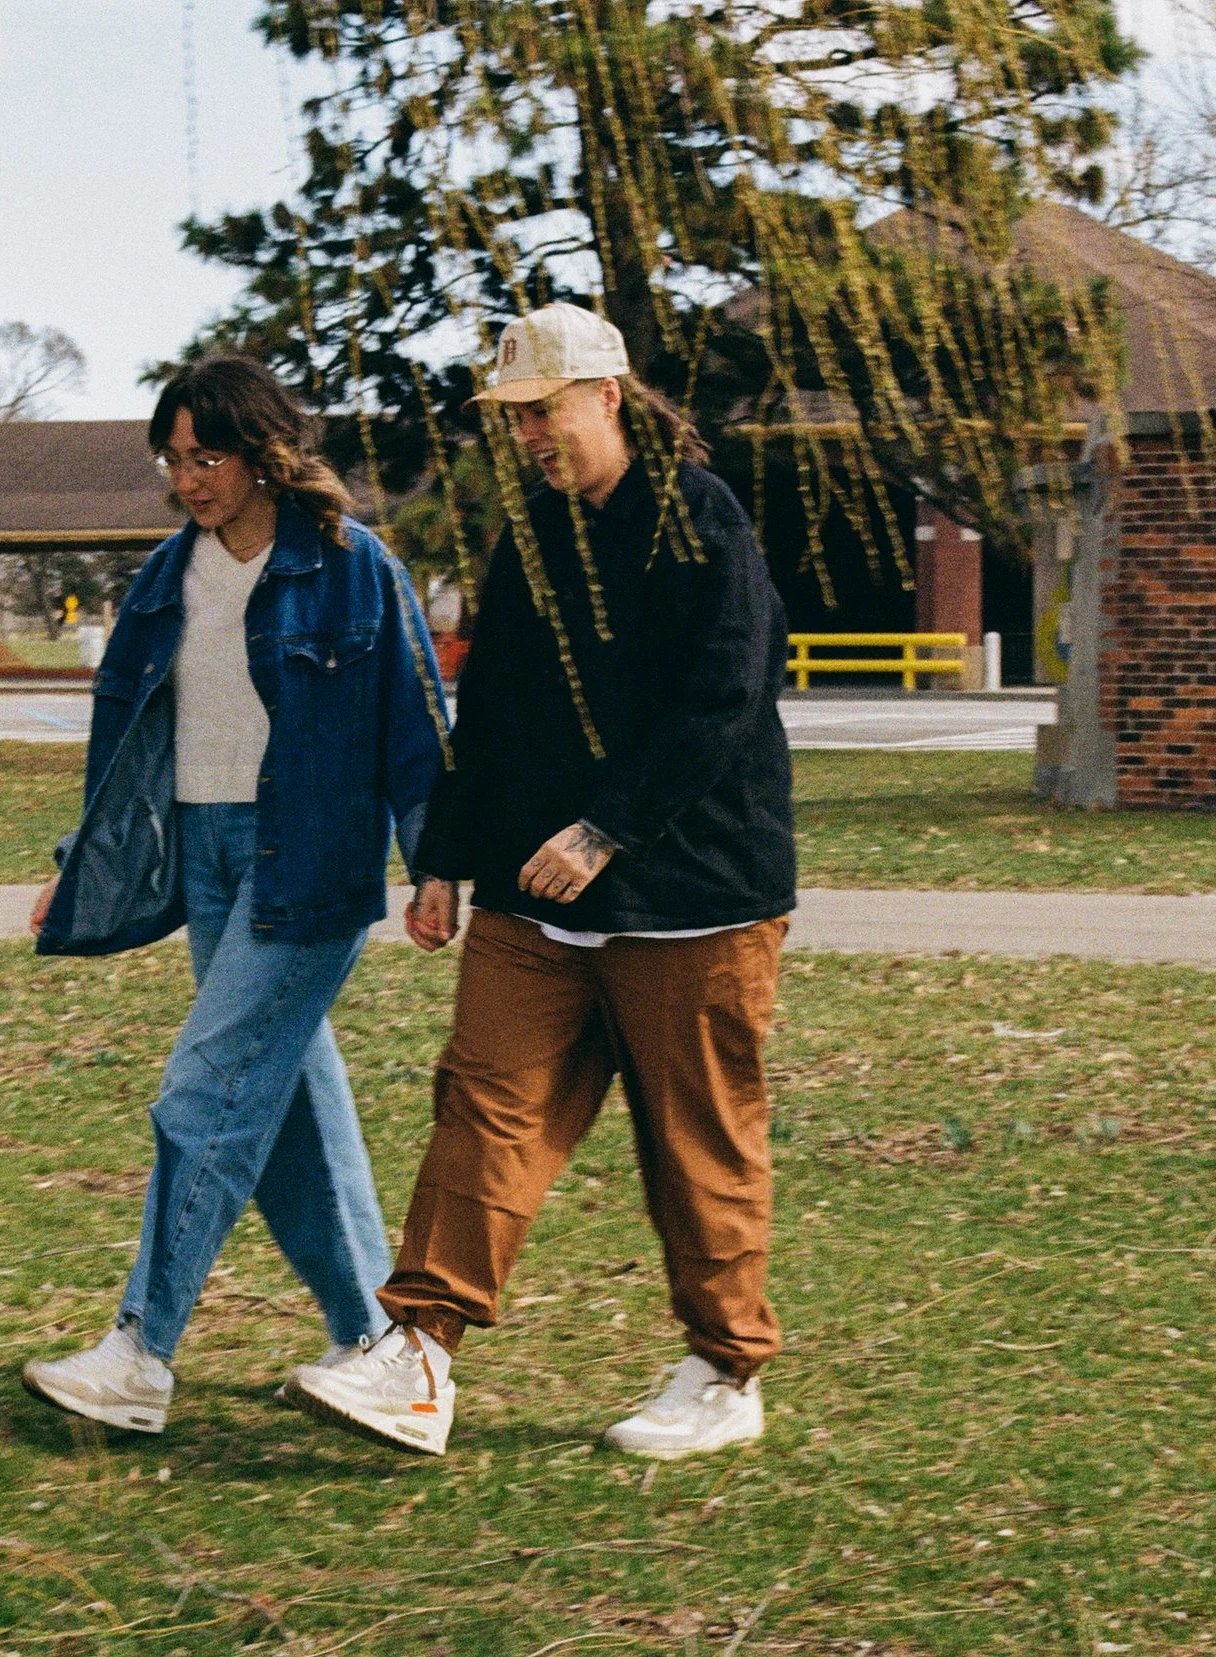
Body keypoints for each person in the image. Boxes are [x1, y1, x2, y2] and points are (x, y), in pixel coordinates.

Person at [281, 304, 795, 1459]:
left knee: (695, 1138)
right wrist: (445, 859)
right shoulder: (536, 540)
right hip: (538, 898)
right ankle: (417, 1357)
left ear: (606, 395)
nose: (526, 436)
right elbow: (494, 715)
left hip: (694, 894)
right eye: (510, 419)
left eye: (541, 410)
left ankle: (723, 1371)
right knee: (483, 1104)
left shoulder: (698, 520)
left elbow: (725, 699)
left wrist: (608, 828)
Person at [23, 355, 450, 1435]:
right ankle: (386, 1353)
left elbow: (416, 725)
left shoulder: (352, 568)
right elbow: (127, 736)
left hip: (303, 861)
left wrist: (436, 860)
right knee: (291, 1113)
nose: (187, 480)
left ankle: (141, 1351)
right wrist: (83, 856)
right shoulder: (168, 575)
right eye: (171, 460)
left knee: (204, 1094)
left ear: (262, 452)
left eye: (204, 456)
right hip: (203, 858)